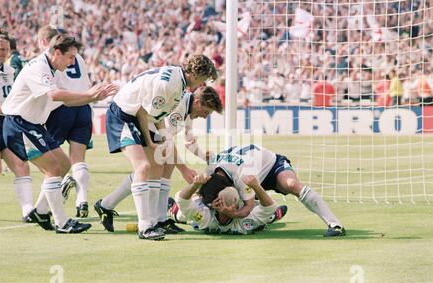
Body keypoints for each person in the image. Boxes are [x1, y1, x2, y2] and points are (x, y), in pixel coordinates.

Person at [1, 33, 118, 233]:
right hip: (19, 123)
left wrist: (93, 97)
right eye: (70, 57)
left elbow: (66, 100)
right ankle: (62, 223)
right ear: (57, 52)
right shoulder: (38, 67)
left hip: (32, 124)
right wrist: (88, 93)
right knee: (53, 169)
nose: (73, 62)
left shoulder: (53, 69)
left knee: (63, 164)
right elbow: (54, 94)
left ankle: (40, 210)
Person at [95, 54, 217, 240]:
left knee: (158, 166)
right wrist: (152, 141)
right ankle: (146, 226)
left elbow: (158, 118)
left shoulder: (179, 83)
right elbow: (144, 111)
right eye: (204, 79)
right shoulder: (170, 86)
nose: (202, 84)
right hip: (124, 114)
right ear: (196, 73)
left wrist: (161, 139)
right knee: (144, 167)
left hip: (139, 116)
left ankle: (142, 216)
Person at [196, 144, 346, 237]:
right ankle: (269, 217)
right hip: (249, 173)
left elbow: (247, 208)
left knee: (292, 184)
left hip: (271, 167)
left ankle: (335, 225)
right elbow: (203, 195)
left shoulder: (242, 176)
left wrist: (233, 213)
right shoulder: (211, 172)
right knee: (235, 201)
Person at [34, 25, 94, 218]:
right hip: (83, 108)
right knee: (78, 159)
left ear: (46, 42)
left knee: (52, 161)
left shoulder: (50, 61)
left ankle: (41, 208)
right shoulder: (79, 57)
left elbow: (53, 91)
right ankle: (82, 199)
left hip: (61, 109)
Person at [0, 29, 34, 223]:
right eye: (1, 49)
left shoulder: (9, 69)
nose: (5, 53)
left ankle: (28, 211)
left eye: (7, 50)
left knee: (22, 166)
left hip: (8, 122)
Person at [172, 174, 287, 234]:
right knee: (265, 216)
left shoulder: (205, 218)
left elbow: (182, 200)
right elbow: (269, 206)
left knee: (182, 213)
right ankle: (272, 217)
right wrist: (256, 186)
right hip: (248, 218)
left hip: (201, 219)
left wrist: (195, 185)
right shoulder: (245, 221)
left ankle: (175, 212)